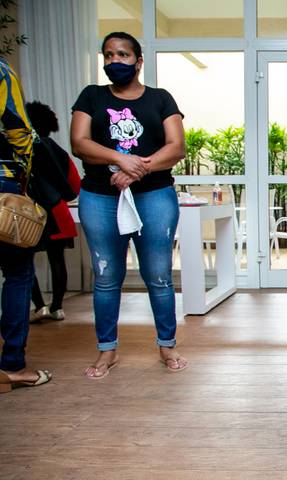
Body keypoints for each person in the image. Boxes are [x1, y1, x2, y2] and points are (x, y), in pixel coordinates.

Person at [70, 32, 187, 379]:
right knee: (106, 276)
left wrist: (137, 169)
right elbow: (79, 142)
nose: (114, 61)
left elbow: (176, 147)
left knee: (159, 275)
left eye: (122, 54)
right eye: (108, 55)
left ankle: (167, 345)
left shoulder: (160, 98)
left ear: (138, 61)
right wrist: (120, 159)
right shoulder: (91, 96)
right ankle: (107, 350)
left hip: (154, 195)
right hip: (100, 196)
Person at [0, 58, 53, 392]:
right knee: (18, 273)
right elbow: (19, 131)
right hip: (2, 184)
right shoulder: (1, 72)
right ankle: (12, 366)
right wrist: (24, 178)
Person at [25, 101, 81, 323]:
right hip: (56, 210)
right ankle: (57, 307)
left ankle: (39, 306)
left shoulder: (19, 147)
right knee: (57, 260)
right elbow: (74, 184)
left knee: (24, 262)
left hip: (26, 211)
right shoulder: (57, 150)